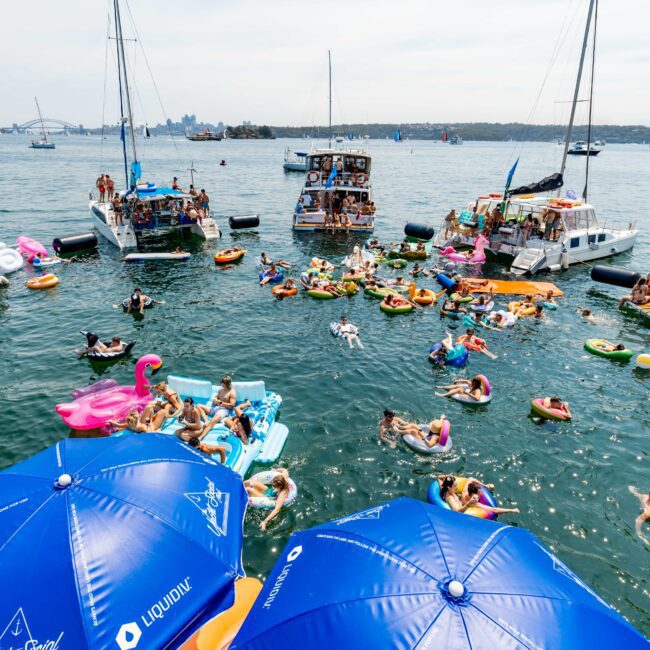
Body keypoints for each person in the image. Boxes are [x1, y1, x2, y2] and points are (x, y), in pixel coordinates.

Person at [437, 475, 520, 516]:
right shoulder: (450, 498)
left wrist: (485, 486)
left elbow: (438, 477)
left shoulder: (460, 491)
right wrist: (512, 510)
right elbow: (456, 512)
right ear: (449, 487)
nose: (457, 486)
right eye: (455, 486)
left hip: (462, 502)